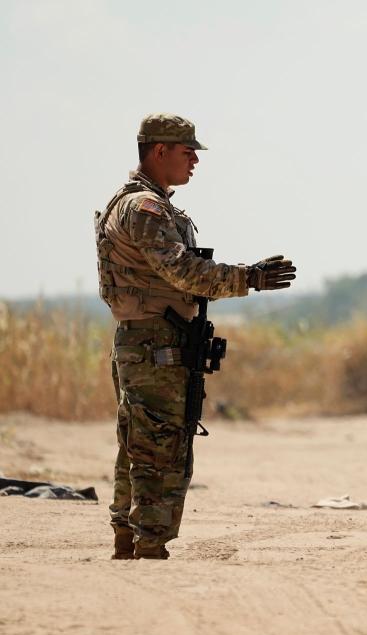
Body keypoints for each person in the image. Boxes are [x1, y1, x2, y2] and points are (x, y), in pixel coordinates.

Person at [96, 113, 297, 560]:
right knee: (160, 443)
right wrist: (249, 278)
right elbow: (181, 271)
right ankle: (149, 542)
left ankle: (130, 534)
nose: (195, 161)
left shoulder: (149, 205)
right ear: (159, 151)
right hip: (153, 345)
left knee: (140, 439)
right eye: (187, 152)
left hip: (150, 340)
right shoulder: (143, 208)